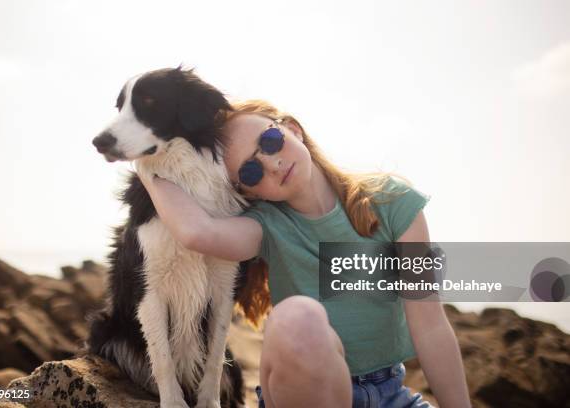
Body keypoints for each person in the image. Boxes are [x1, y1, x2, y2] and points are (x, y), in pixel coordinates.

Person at [138, 100, 471, 408]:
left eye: (269, 141)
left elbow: (430, 327)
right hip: (302, 395)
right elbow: (198, 232)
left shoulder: (392, 202)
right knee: (297, 317)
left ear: (293, 129)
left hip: (390, 396)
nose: (271, 163)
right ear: (249, 191)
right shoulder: (266, 226)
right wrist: (147, 169)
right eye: (250, 171)